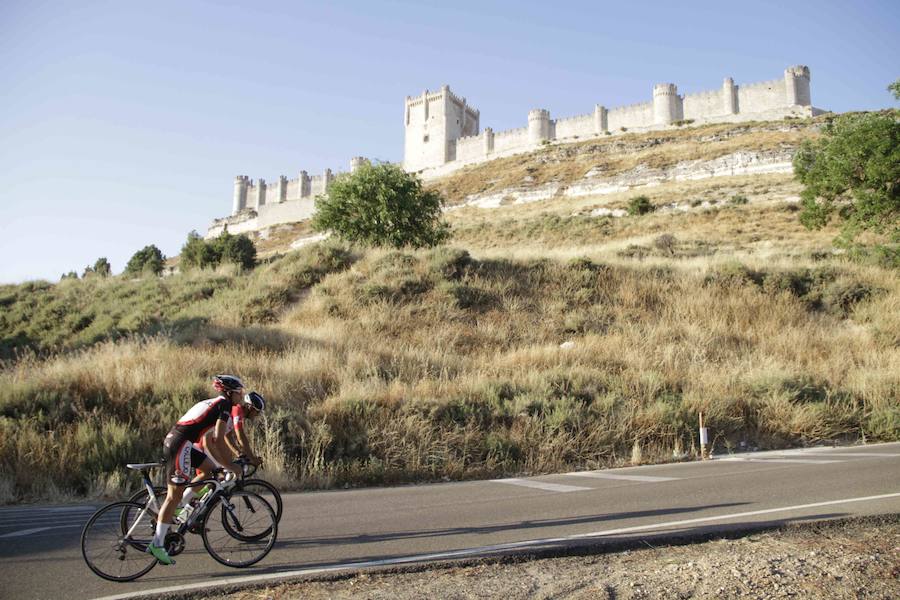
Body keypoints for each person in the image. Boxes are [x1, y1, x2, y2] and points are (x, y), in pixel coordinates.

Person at [147, 374, 247, 564]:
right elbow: (218, 437)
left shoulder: (217, 402)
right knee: (172, 496)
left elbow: (211, 440)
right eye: (239, 392)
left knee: (208, 470)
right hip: (180, 445)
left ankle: (180, 509)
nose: (241, 396)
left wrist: (223, 464)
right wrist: (230, 465)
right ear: (229, 392)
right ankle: (157, 544)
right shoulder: (224, 404)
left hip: (182, 442)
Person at [193, 391, 265, 490]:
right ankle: (186, 500)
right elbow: (240, 435)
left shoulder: (234, 413)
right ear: (250, 407)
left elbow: (228, 437)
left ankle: (201, 499)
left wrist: (238, 452)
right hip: (205, 444)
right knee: (217, 474)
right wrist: (252, 457)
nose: (257, 415)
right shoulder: (237, 410)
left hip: (210, 444)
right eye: (257, 412)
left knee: (220, 477)